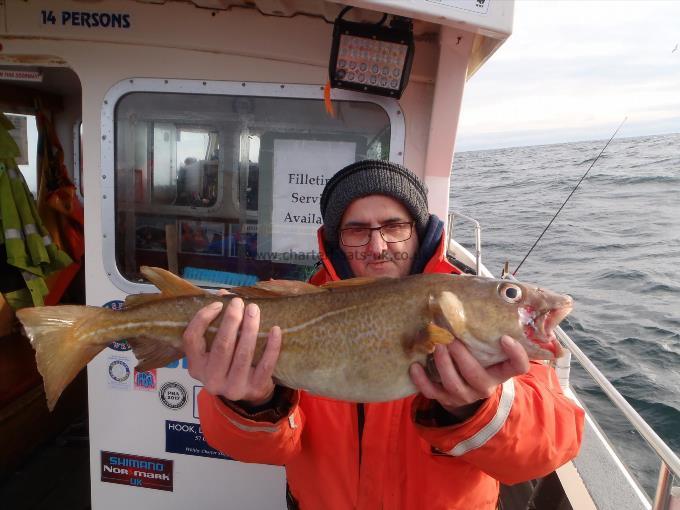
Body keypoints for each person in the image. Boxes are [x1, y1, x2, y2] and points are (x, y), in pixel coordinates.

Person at [183, 159, 584, 510]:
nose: (377, 246)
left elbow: (546, 450)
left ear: (420, 231)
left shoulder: (492, 333)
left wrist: (478, 405)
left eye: (395, 227)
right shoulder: (296, 310)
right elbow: (267, 450)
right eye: (356, 230)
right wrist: (251, 405)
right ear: (336, 241)